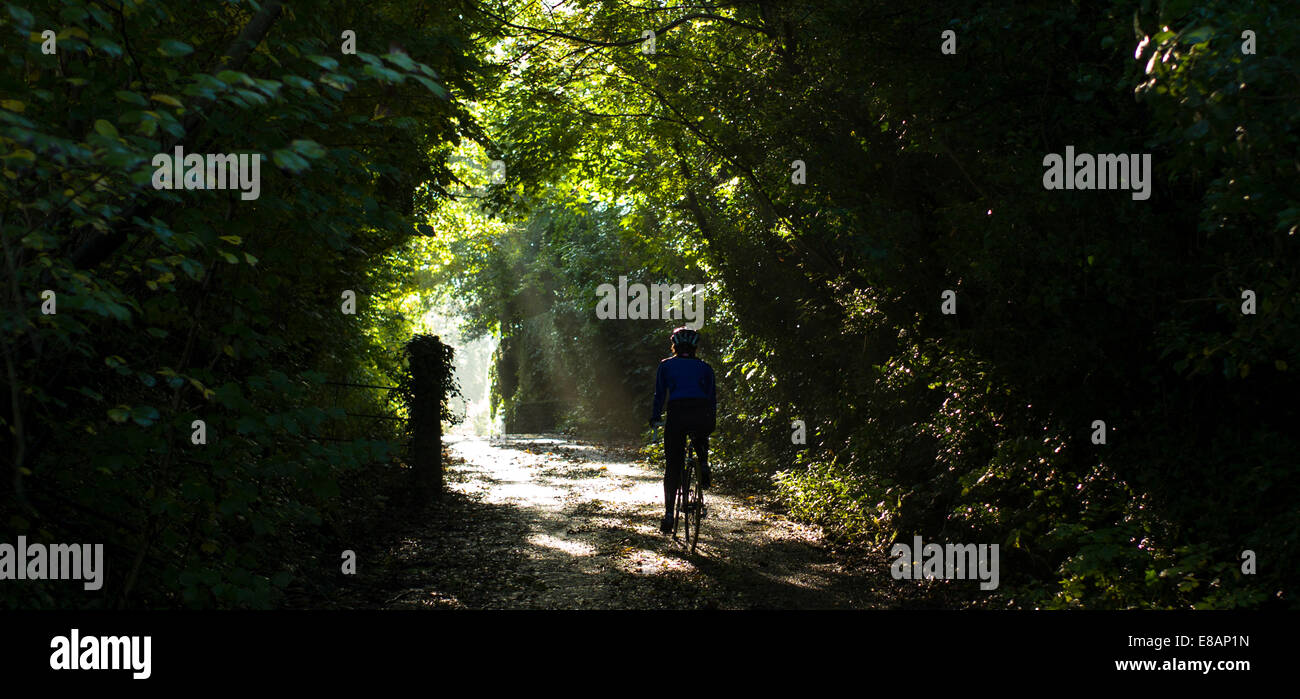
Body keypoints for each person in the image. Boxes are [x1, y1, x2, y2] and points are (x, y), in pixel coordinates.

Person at [649, 326, 717, 535]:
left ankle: (669, 516)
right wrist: (711, 422)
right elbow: (712, 397)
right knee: (700, 433)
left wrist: (655, 416)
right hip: (700, 411)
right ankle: (703, 463)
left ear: (674, 346)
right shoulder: (705, 368)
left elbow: (660, 394)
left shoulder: (666, 366)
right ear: (695, 347)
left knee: (673, 466)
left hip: (677, 413)